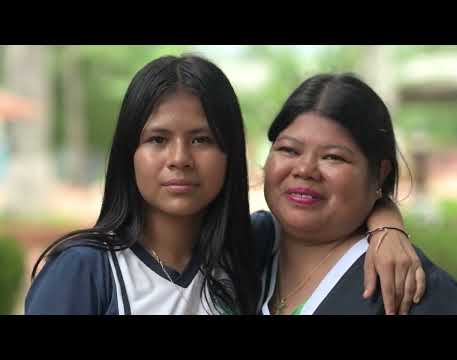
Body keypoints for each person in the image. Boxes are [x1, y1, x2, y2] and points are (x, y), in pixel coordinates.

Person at [25, 55, 424, 315]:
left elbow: (323, 208)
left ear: (230, 153)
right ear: (129, 153)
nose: (179, 158)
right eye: (157, 140)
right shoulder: (84, 270)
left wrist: (387, 223)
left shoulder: (251, 249)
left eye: (202, 140)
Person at [257, 73, 457, 315]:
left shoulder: (405, 287)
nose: (305, 170)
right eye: (289, 150)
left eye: (333, 157)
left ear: (379, 174)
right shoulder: (245, 249)